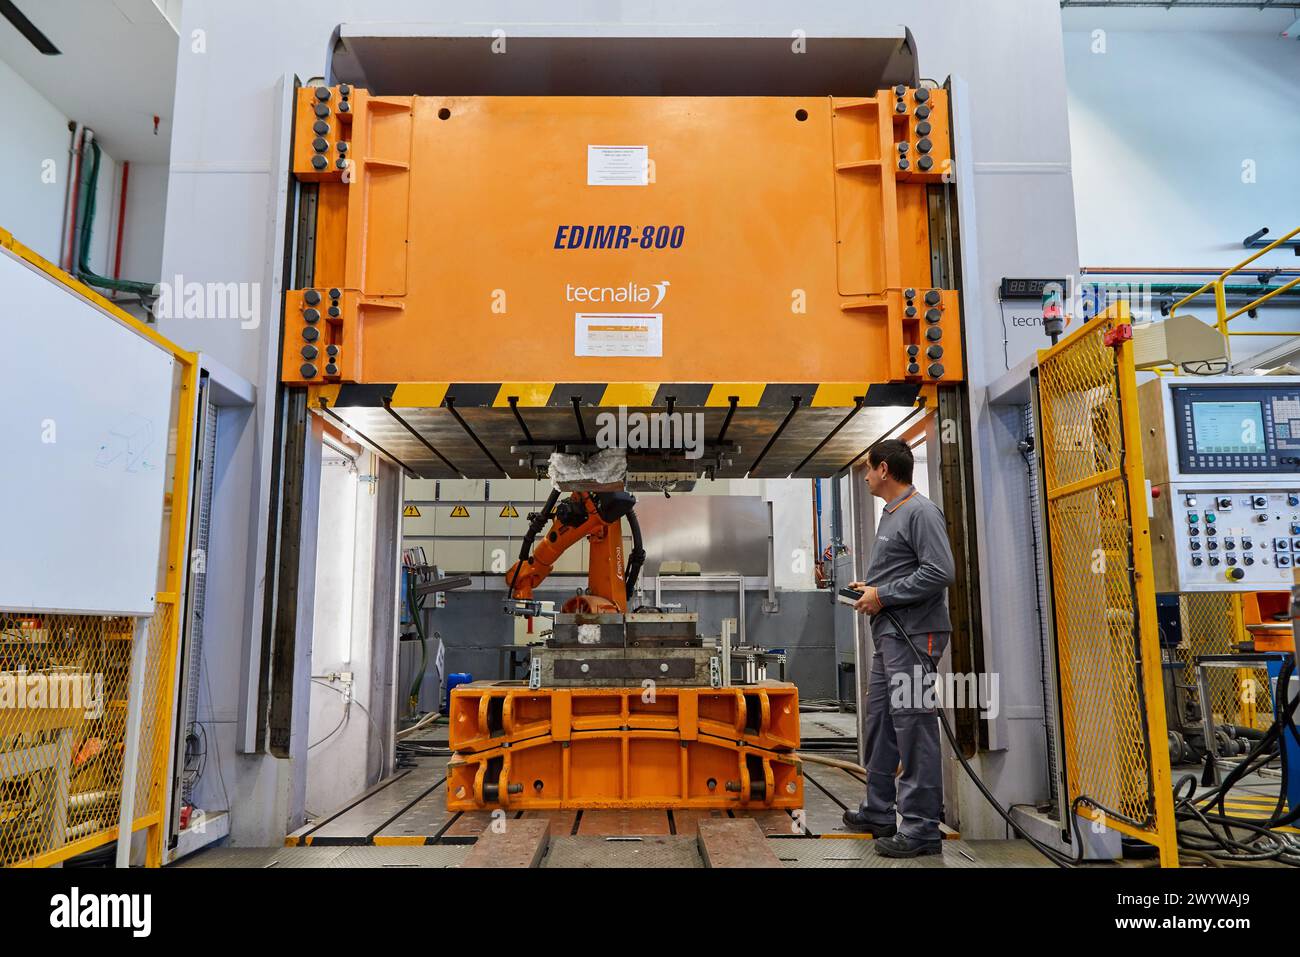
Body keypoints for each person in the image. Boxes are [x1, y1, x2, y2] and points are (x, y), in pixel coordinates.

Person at [842, 438, 956, 858]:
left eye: (869, 469)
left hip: (915, 634)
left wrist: (883, 595)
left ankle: (923, 828)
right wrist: (871, 590)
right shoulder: (892, 515)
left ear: (885, 470)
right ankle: (878, 810)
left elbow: (940, 571)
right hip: (890, 635)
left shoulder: (920, 512)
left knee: (914, 728)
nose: (867, 475)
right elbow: (902, 572)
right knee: (882, 723)